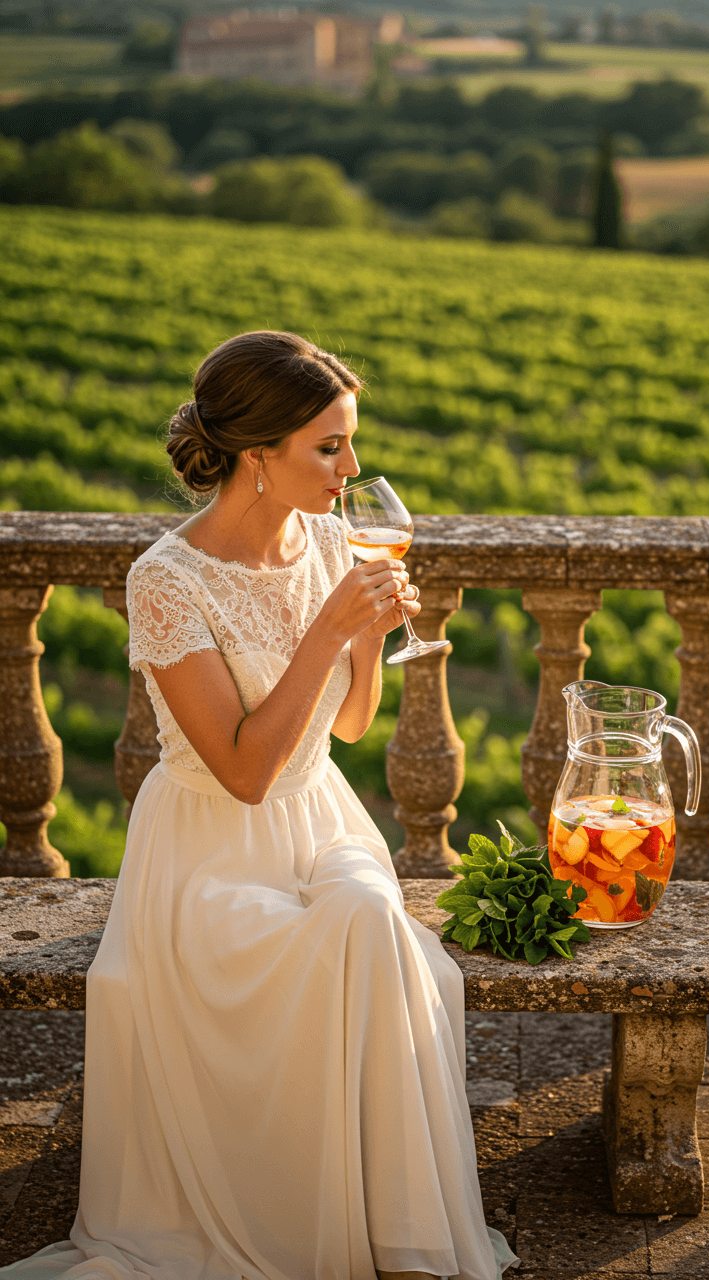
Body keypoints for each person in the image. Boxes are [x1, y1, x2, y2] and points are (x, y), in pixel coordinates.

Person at [1, 331, 518, 1280]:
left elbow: (350, 728)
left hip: (318, 821)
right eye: (329, 447)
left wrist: (372, 640)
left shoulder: (333, 539)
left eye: (351, 443)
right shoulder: (165, 580)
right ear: (257, 456)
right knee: (338, 938)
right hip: (208, 852)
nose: (352, 469)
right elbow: (241, 772)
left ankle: (386, 1238)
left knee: (369, 917)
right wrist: (329, 630)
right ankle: (294, 1229)